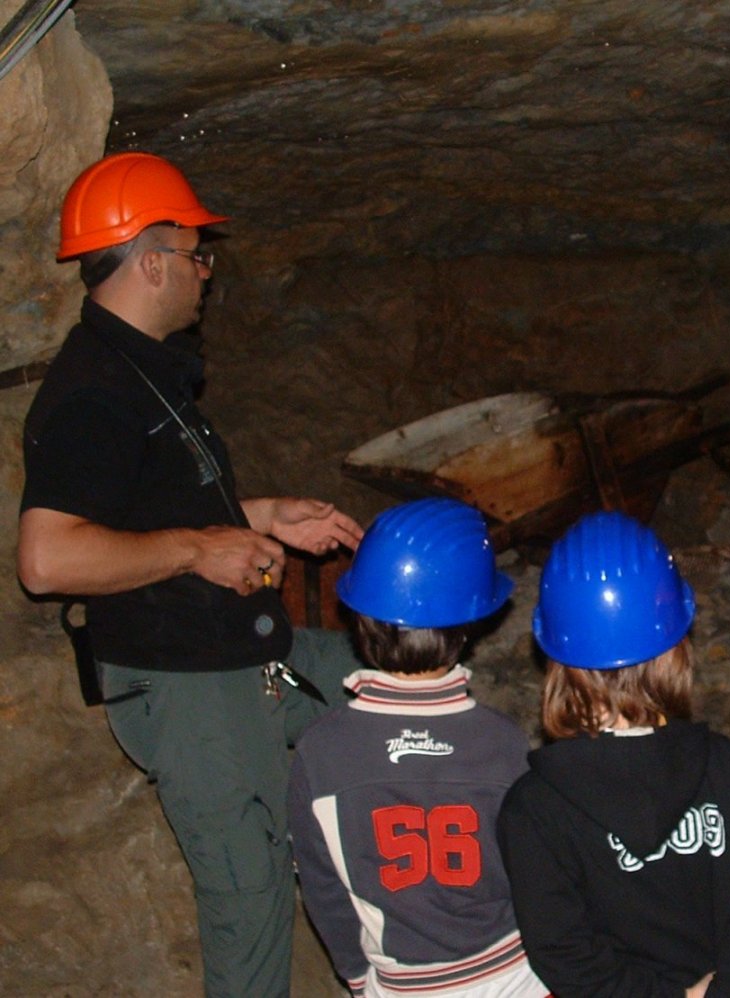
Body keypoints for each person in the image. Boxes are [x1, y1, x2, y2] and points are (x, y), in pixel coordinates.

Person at [15, 151, 365, 998]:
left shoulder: (146, 374)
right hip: (186, 683)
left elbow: (152, 512)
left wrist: (269, 515)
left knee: (389, 697)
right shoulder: (96, 392)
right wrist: (197, 550)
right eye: (198, 254)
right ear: (151, 261)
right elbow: (47, 557)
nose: (208, 273)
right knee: (249, 895)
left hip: (240, 653)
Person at [496, 511, 730, 997]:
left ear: (556, 662)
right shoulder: (724, 765)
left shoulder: (533, 812)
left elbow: (566, 955)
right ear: (676, 649)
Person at [287, 498, 549, 998]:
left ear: (359, 621)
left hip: (403, 985)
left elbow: (321, 888)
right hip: (516, 978)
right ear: (468, 625)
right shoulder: (501, 742)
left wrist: (358, 977)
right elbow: (537, 873)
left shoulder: (321, 752)